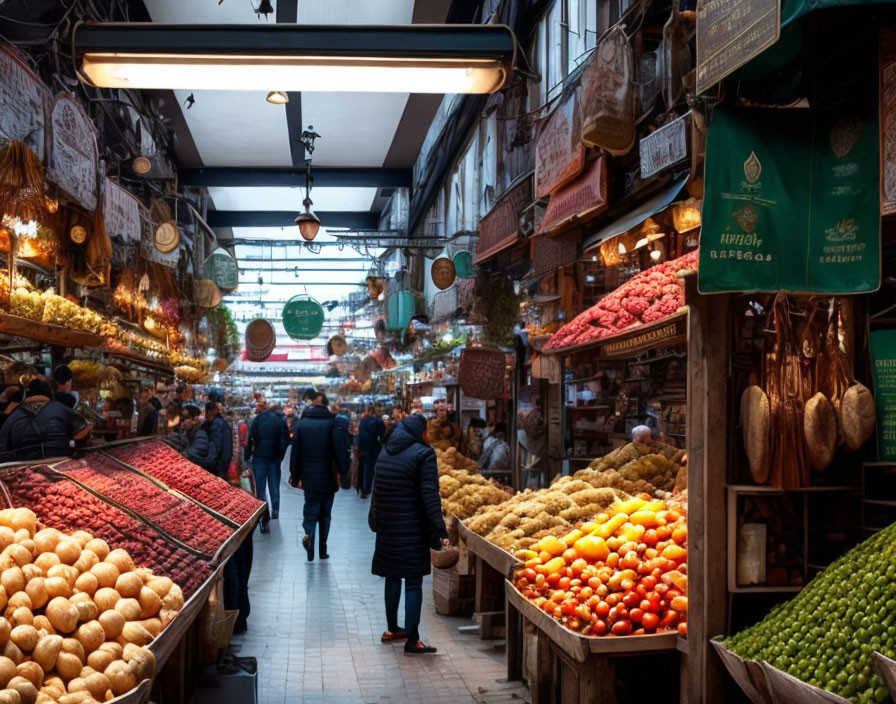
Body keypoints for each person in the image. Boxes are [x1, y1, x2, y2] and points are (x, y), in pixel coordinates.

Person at [368, 413, 448, 654]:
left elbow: (376, 489)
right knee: (413, 582)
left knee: (392, 576)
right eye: (426, 432)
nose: (427, 436)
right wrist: (438, 527)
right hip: (412, 527)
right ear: (419, 432)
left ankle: (393, 628)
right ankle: (412, 639)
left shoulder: (385, 451)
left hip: (388, 526)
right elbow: (429, 494)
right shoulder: (423, 454)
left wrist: (374, 519)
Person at [288, 393, 347, 562]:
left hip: (309, 477)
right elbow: (339, 451)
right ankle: (323, 549)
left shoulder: (303, 424)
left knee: (311, 509)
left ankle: (309, 535)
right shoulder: (332, 424)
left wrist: (295, 473)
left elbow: (295, 452)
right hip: (328, 477)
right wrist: (343, 473)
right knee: (325, 514)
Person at [0, 378, 91, 461]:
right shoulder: (59, 408)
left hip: (27, 471)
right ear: (51, 394)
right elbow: (83, 432)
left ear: (27, 395)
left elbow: (2, 449)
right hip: (61, 463)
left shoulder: (13, 416)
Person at [247, 401, 290, 534]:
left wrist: (248, 455)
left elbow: (251, 437)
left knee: (261, 486)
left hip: (259, 456)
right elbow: (284, 440)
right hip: (274, 457)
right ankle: (275, 513)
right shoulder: (280, 420)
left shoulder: (258, 419)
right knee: (274, 485)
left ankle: (263, 512)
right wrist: (280, 455)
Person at [356, 405, 385, 499]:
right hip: (373, 448)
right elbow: (382, 434)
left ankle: (361, 488)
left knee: (363, 468)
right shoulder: (378, 422)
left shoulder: (363, 421)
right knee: (370, 470)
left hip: (362, 448)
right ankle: (366, 490)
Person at [200, 401, 233, 478]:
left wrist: (207, 462)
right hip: (223, 459)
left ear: (209, 411)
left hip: (219, 462)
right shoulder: (220, 422)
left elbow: (215, 445)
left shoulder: (217, 424)